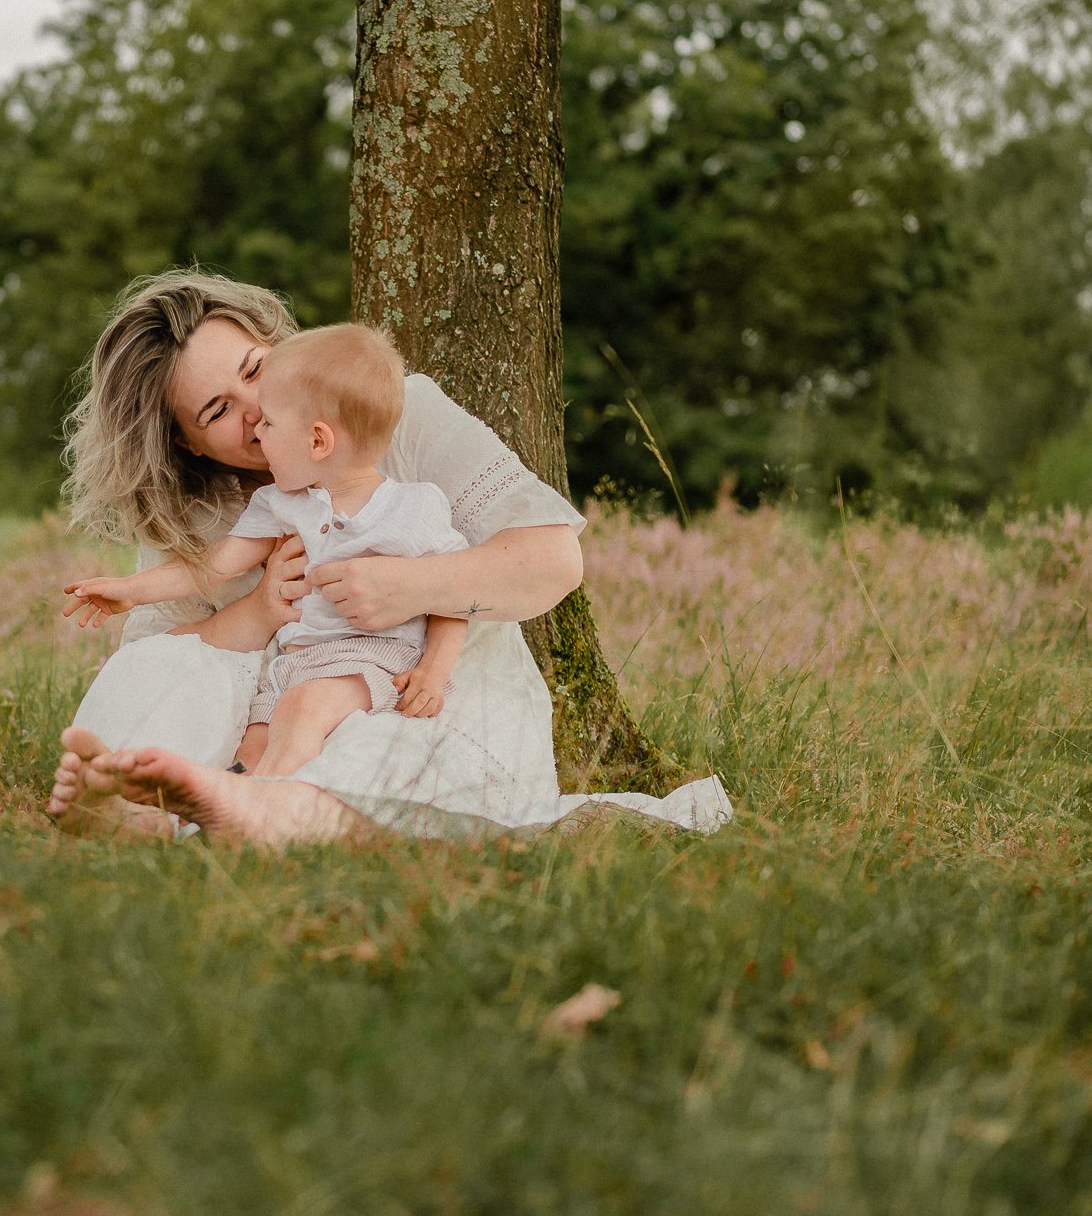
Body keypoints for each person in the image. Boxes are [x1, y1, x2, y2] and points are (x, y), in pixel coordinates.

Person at [47, 270, 732, 847]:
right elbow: (166, 652)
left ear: (274, 341)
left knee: (369, 741)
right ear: (185, 443)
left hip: (420, 689)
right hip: (280, 697)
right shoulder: (190, 504)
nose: (255, 408)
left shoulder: (396, 414)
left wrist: (411, 586)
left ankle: (260, 810)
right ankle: (133, 802)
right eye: (217, 410)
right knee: (156, 667)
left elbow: (553, 560)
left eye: (255, 368)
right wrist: (257, 611)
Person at [62, 323, 471, 780]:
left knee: (303, 710)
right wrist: (132, 590)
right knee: (255, 741)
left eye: (270, 424)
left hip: (373, 658)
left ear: (317, 441)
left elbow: (453, 595)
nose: (257, 424)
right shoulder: (281, 504)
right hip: (293, 664)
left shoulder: (412, 506)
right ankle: (208, 801)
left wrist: (433, 672)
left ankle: (260, 804)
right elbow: (215, 565)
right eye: (221, 410)